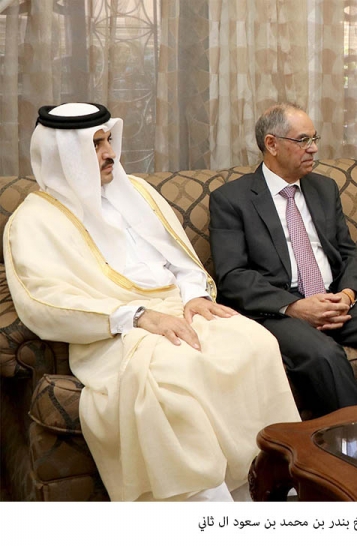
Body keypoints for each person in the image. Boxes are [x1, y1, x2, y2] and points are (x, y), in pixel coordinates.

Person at [4, 103, 300, 502]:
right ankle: (207, 502)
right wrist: (138, 316)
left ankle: (271, 484)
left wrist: (195, 294)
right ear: (63, 154)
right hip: (114, 331)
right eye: (95, 145)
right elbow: (43, 303)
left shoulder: (138, 192)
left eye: (109, 140)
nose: (110, 153)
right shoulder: (33, 220)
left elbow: (182, 260)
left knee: (256, 343)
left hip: (179, 309)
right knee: (175, 373)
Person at [209, 103, 357, 417]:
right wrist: (295, 307)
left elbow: (348, 253)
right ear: (272, 144)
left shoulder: (324, 188)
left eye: (314, 139)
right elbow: (232, 275)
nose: (314, 148)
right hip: (278, 310)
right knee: (325, 355)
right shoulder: (231, 199)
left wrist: (347, 295)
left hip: (333, 297)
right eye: (303, 140)